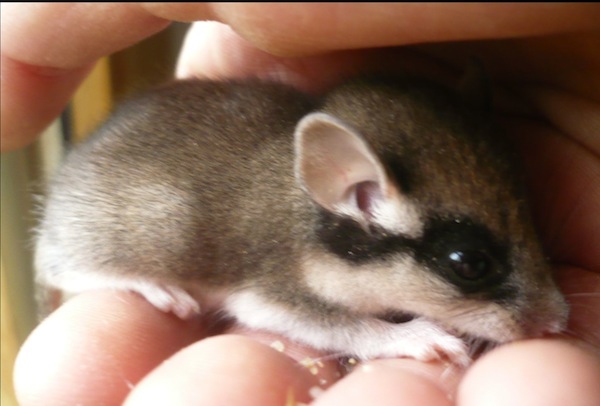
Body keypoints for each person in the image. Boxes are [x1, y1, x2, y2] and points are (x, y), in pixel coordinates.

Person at [3, 4, 599, 405]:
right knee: (151, 233)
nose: (547, 313)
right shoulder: (304, 244)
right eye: (471, 266)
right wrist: (378, 338)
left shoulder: (359, 205)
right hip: (101, 216)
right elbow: (268, 300)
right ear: (359, 194)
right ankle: (82, 267)